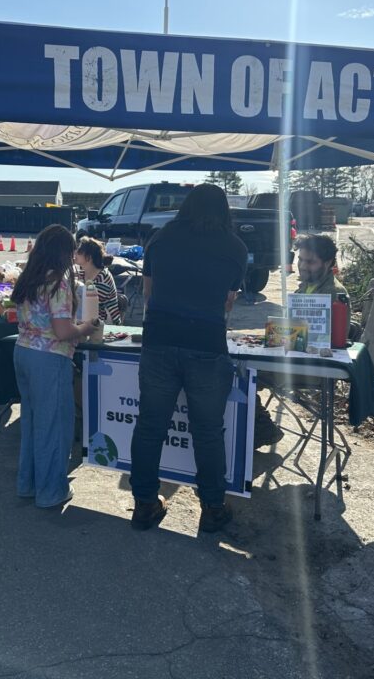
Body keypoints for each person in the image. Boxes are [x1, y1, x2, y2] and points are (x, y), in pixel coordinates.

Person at [130, 184, 247, 533]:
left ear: (185, 207)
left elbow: (149, 295)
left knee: (150, 425)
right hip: (207, 344)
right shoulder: (235, 247)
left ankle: (144, 504)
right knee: (208, 431)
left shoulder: (160, 238)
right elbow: (228, 303)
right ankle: (212, 507)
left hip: (159, 340)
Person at [12, 224, 103, 508]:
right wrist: (87, 326)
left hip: (23, 353)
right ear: (64, 252)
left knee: (32, 423)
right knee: (53, 426)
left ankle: (28, 484)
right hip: (49, 359)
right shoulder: (59, 283)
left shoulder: (29, 279)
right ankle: (51, 491)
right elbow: (63, 331)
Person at [252, 233, 350, 448]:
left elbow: (331, 342)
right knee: (238, 368)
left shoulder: (334, 294)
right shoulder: (306, 287)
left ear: (328, 263)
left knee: (243, 374)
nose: (303, 266)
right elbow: (291, 331)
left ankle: (261, 429)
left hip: (312, 368)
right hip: (291, 359)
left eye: (310, 261)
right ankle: (258, 427)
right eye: (301, 260)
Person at [75, 236, 122, 325]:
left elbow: (90, 308)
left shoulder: (103, 278)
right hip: (89, 321)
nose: (75, 253)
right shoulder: (81, 274)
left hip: (107, 326)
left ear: (89, 257)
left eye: (79, 251)